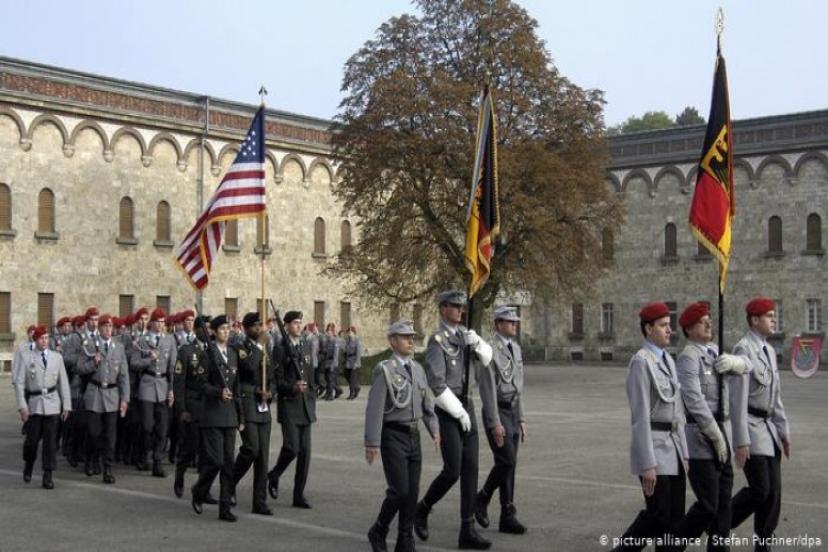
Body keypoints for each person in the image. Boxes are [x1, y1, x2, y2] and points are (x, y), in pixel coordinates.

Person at [415, 290, 493, 550]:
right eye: (455, 306)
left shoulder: (465, 336)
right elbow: (436, 383)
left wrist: (479, 344)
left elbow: (487, 359)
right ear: (442, 308)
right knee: (453, 470)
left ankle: (467, 528)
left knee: (471, 468)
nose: (461, 311)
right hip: (449, 410)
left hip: (467, 404)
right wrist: (458, 411)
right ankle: (423, 508)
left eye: (462, 307)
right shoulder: (437, 341)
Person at [610, 302, 689, 552]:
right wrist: (647, 464)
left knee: (675, 519)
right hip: (655, 449)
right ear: (648, 329)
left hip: (674, 448)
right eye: (663, 325)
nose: (670, 330)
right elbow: (640, 416)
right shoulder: (641, 363)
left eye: (670, 325)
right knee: (658, 516)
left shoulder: (667, 360)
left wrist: (684, 452)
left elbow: (678, 411)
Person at [671, 302, 748, 550]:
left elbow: (749, 366)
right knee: (708, 504)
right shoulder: (688, 358)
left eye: (709, 320)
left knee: (724, 502)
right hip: (700, 438)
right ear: (689, 329)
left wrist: (735, 363)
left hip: (721, 432)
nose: (709, 324)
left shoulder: (716, 352)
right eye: (703, 322)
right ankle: (673, 545)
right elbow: (694, 400)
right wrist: (715, 436)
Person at [366, 319, 440, 552]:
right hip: (393, 435)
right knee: (399, 490)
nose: (410, 341)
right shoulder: (385, 370)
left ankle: (405, 537)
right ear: (392, 341)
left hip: (413, 435)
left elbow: (427, 405)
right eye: (405, 337)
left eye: (412, 337)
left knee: (413, 491)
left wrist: (434, 429)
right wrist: (372, 442)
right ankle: (379, 529)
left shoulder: (417, 370)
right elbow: (375, 409)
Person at [729, 298, 791, 552]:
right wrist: (740, 440)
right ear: (754, 320)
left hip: (769, 431)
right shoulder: (744, 350)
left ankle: (763, 545)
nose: (773, 319)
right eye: (768, 316)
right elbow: (737, 400)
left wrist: (784, 431)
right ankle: (721, 522)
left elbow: (775, 397)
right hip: (752, 429)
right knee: (760, 490)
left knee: (773, 495)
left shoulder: (767, 350)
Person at [475, 306, 528, 535]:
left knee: (511, 464)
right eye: (509, 322)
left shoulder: (515, 348)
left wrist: (522, 418)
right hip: (498, 411)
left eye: (515, 321)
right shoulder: (489, 350)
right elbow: (487, 391)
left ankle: (507, 514)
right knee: (505, 460)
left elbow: (518, 387)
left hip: (513, 411)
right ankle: (481, 498)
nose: (514, 324)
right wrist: (495, 422)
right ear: (498, 324)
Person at [191, 315, 244, 522]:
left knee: (228, 463)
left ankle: (224, 508)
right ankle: (199, 489)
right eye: (222, 329)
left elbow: (236, 386)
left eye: (227, 328)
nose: (226, 332)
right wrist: (217, 392)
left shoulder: (232, 354)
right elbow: (199, 384)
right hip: (212, 414)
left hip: (229, 414)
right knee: (215, 460)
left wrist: (241, 416)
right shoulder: (207, 354)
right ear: (213, 331)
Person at [267, 310, 317, 509]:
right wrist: (292, 388)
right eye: (295, 323)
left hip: (305, 406)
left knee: (305, 453)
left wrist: (311, 395)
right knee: (292, 448)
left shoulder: (305, 345)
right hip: (289, 404)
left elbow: (311, 374)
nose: (298, 326)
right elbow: (277, 380)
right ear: (286, 325)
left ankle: (298, 494)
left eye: (300, 322)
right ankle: (274, 474)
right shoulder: (280, 349)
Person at [13, 325, 72, 489]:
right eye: (41, 338)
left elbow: (64, 383)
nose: (45, 341)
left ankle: (48, 474)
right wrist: (22, 407)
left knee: (50, 442)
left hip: (53, 403)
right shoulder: (27, 357)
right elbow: (19, 383)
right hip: (35, 403)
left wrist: (66, 405)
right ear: (35, 340)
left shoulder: (56, 357)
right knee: (32, 441)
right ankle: (29, 463)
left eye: (47, 338)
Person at [76, 314, 130, 483]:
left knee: (110, 435)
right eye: (104, 326)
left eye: (110, 326)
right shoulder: (90, 345)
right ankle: (92, 458)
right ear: (99, 328)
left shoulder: (118, 347)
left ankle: (107, 468)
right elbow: (79, 368)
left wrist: (125, 399)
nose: (108, 329)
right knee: (94, 432)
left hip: (112, 395)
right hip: (95, 394)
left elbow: (124, 375)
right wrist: (93, 363)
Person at [231, 312, 276, 515]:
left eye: (260, 325)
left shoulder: (265, 348)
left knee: (263, 457)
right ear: (246, 328)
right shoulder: (240, 347)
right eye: (255, 326)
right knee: (251, 449)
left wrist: (270, 392)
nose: (259, 329)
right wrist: (258, 345)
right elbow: (248, 367)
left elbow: (273, 375)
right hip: (248, 403)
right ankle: (229, 482)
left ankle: (259, 501)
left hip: (263, 407)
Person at [129, 307, 176, 476]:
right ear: (152, 323)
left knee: (163, 428)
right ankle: (143, 454)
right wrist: (149, 359)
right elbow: (134, 363)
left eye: (163, 322)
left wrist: (171, 390)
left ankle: (158, 461)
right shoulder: (142, 341)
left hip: (163, 384)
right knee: (147, 425)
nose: (161, 325)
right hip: (147, 384)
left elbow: (172, 367)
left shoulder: (169, 340)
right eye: (158, 322)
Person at [173, 315, 213, 500]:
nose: (208, 332)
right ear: (196, 330)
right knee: (190, 448)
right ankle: (179, 475)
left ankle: (203, 489)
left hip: (209, 407)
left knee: (207, 451)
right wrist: (181, 410)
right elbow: (179, 383)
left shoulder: (214, 350)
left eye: (210, 328)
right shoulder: (186, 351)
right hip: (193, 406)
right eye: (204, 328)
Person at [344, 326, 363, 400]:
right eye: (348, 332)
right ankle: (356, 387)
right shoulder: (347, 340)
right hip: (348, 361)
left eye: (350, 332)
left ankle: (351, 393)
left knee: (352, 378)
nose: (349, 334)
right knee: (347, 376)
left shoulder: (357, 341)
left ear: (354, 333)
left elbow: (358, 353)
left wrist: (356, 363)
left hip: (354, 361)